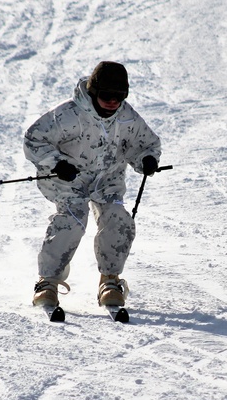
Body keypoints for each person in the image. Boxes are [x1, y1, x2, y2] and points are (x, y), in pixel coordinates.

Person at [23, 61, 161, 309]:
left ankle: (110, 280)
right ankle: (47, 282)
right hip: (68, 180)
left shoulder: (127, 119)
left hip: (107, 181)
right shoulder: (67, 115)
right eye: (106, 95)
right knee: (72, 219)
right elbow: (34, 140)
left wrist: (147, 160)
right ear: (94, 92)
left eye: (119, 96)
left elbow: (147, 144)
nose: (112, 102)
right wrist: (56, 163)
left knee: (118, 218)